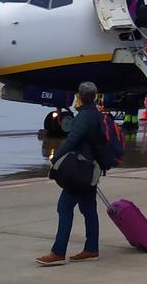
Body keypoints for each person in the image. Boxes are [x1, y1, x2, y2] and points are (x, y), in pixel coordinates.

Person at [36, 82, 103, 266]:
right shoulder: (96, 114)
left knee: (64, 208)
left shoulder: (84, 116)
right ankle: (91, 249)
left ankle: (58, 252)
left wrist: (54, 160)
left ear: (80, 97)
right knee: (89, 210)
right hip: (91, 169)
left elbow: (71, 141)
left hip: (80, 170)